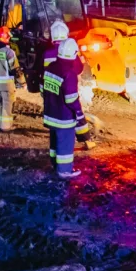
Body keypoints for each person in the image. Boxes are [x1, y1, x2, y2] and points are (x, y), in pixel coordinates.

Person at [44, 20, 97, 151]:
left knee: (56, 116)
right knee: (75, 112)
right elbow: (78, 69)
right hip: (68, 86)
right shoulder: (69, 48)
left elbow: (46, 72)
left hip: (51, 89)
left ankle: (57, 141)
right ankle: (86, 139)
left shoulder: (47, 53)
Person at [43, 37, 84, 179]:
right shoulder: (70, 73)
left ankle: (55, 164)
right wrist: (78, 111)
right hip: (64, 117)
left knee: (55, 141)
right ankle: (65, 171)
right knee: (65, 143)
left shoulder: (50, 67)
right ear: (74, 54)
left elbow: (44, 89)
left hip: (51, 114)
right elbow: (71, 98)